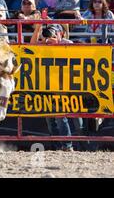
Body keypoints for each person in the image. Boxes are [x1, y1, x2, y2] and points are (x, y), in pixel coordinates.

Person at [30, 21, 75, 151]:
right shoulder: (44, 44)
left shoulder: (66, 43)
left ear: (60, 33)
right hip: (46, 84)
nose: (50, 36)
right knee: (50, 118)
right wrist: (38, 27)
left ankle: (67, 145)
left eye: (54, 32)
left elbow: (71, 48)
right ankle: (56, 146)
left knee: (61, 117)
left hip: (61, 85)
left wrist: (58, 41)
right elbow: (32, 44)